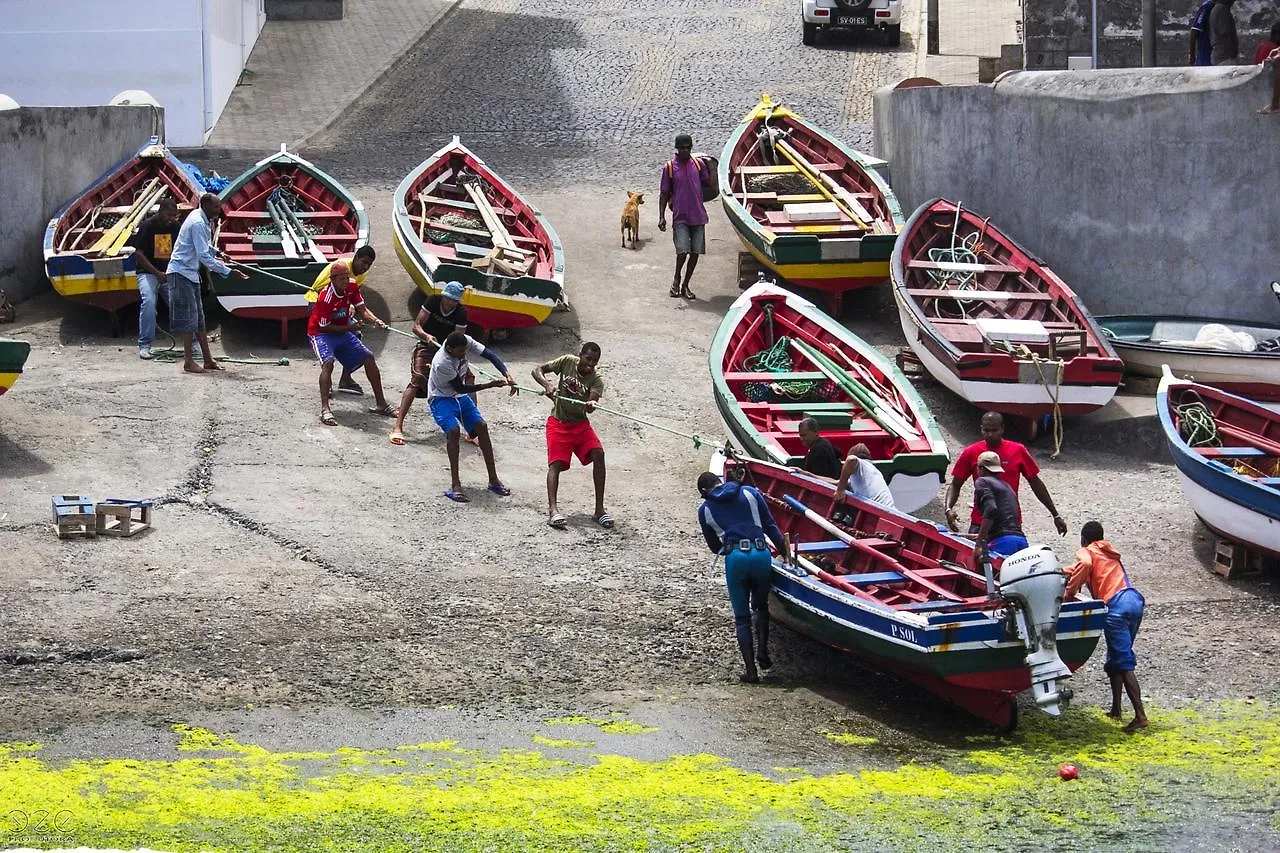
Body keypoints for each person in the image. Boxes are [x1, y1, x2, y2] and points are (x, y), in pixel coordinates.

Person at [697, 471, 788, 684]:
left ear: (704, 490)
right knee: (761, 606)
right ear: (721, 482)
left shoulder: (705, 509)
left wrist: (729, 546)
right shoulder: (750, 492)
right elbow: (770, 525)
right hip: (761, 554)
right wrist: (784, 552)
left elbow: (713, 547)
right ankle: (763, 653)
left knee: (741, 617)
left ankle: (751, 671)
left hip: (736, 558)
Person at [1064, 521, 1148, 733]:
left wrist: (1069, 593)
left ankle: (1140, 716)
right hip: (1133, 600)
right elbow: (1078, 569)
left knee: (1123, 660)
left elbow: (1084, 565)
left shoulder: (1087, 551)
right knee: (1115, 659)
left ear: (1083, 539)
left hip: (1116, 606)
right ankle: (1116, 709)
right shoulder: (1107, 551)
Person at [944, 411, 1067, 537]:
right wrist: (948, 509)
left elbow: (1036, 483)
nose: (990, 434)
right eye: (986, 430)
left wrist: (1055, 514)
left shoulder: (1018, 450)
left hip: (1010, 523)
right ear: (981, 429)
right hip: (980, 522)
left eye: (994, 430)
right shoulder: (970, 452)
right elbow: (955, 484)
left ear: (1002, 429)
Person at [428, 331, 518, 503]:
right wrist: (489, 385)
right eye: (460, 352)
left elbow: (489, 354)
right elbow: (461, 388)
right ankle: (455, 485)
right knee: (453, 431)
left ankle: (493, 480)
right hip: (441, 397)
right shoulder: (442, 363)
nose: (464, 354)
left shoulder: (465, 341)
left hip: (457, 396)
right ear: (449, 348)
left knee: (482, 427)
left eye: (465, 351)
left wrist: (507, 374)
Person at [307, 252, 395, 426]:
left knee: (369, 357)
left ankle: (381, 404)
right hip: (321, 333)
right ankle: (325, 409)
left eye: (347, 278)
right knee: (328, 363)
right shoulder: (326, 298)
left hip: (341, 330)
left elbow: (362, 309)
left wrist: (376, 320)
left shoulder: (352, 287)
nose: (345, 282)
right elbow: (325, 327)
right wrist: (351, 327)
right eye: (341, 279)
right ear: (333, 279)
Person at [166, 193, 248, 374]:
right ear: (204, 205)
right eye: (216, 207)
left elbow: (203, 246)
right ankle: (188, 362)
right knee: (189, 320)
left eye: (219, 207)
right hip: (181, 274)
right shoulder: (197, 222)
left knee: (200, 320)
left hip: (191, 274)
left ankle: (208, 360)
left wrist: (218, 252)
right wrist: (227, 271)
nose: (219, 211)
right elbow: (203, 257)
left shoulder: (202, 219)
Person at [532, 342, 610, 530]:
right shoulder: (567, 362)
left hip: (580, 424)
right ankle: (553, 511)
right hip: (558, 422)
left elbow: (592, 402)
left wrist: (591, 403)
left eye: (595, 361)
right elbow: (537, 370)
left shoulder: (597, 380)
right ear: (580, 355)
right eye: (588, 359)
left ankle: (599, 510)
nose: (590, 364)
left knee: (598, 454)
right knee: (556, 464)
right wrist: (547, 384)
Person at [389, 280, 472, 446]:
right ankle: (397, 426)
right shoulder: (432, 301)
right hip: (426, 346)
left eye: (454, 300)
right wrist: (426, 336)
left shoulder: (461, 313)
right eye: (447, 298)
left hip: (448, 351)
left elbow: (458, 340)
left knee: (469, 378)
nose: (449, 303)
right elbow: (416, 326)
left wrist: (449, 353)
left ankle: (472, 430)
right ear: (443, 296)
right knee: (417, 378)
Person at [306, 246, 377, 395]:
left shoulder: (359, 275)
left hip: (338, 305)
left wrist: (372, 318)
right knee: (326, 347)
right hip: (319, 302)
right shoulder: (340, 268)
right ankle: (327, 382)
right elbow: (325, 292)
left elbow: (351, 294)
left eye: (369, 265)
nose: (365, 267)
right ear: (356, 258)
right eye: (363, 262)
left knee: (356, 337)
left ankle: (346, 378)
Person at [657, 133, 711, 300]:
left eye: (688, 148)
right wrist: (661, 216)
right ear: (677, 149)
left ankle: (686, 284)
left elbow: (709, 184)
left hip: (698, 216)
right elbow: (664, 193)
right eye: (682, 148)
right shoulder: (670, 168)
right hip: (680, 216)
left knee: (695, 253)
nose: (686, 151)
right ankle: (676, 279)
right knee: (682, 251)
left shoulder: (698, 164)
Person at [129, 198, 180, 360]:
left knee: (181, 303)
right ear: (160, 211)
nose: (171, 219)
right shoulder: (147, 226)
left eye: (174, 215)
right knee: (149, 302)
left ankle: (191, 342)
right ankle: (145, 344)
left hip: (168, 273)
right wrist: (157, 273)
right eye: (168, 215)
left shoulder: (176, 228)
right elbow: (138, 254)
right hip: (147, 273)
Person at [971, 451, 1030, 561]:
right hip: (1020, 541)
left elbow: (991, 509)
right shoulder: (1007, 486)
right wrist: (980, 535)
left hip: (1003, 542)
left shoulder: (982, 481)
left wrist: (979, 544)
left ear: (981, 468)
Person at [830, 444, 896, 516]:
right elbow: (837, 483)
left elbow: (851, 459)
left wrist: (840, 490)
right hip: (887, 512)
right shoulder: (867, 472)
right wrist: (815, 477)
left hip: (882, 512)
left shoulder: (862, 464)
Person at [1210, 0, 1239, 66]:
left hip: (1220, 55)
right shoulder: (1222, 9)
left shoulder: (1217, 9)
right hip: (1224, 57)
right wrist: (1232, 53)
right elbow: (1226, 33)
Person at [1190, 0, 1216, 65]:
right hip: (1205, 56)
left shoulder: (1218, 7)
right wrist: (1192, 54)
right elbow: (1194, 30)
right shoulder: (1207, 7)